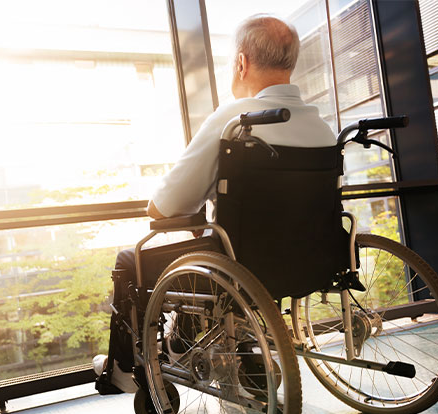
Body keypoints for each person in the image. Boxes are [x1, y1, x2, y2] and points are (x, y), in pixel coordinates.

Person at [93, 14, 336, 393]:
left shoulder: (236, 122)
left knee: (131, 260)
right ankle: (218, 347)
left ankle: (127, 368)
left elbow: (162, 208)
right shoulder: (322, 126)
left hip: (239, 268)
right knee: (211, 248)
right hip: (312, 260)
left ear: (241, 62)